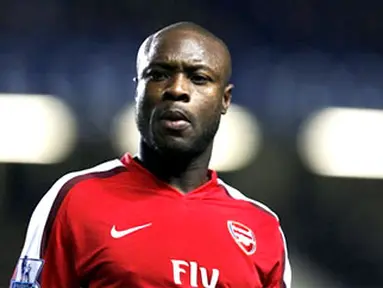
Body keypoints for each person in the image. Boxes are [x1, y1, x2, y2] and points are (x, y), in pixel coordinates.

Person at [10, 22, 292, 288]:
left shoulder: (262, 228)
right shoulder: (75, 199)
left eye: (199, 78)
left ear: (225, 100)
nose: (177, 90)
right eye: (158, 75)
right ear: (138, 90)